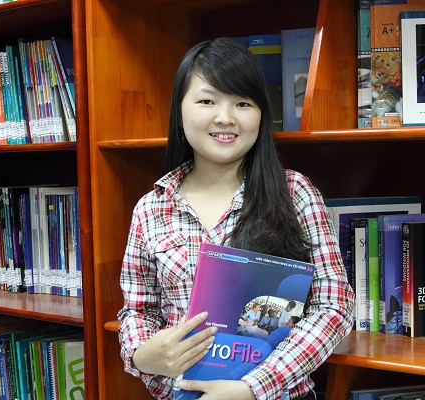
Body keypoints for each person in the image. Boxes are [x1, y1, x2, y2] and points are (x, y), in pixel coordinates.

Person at [117, 37, 354, 400]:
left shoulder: (294, 193)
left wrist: (252, 388)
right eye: (207, 101)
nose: (225, 118)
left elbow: (333, 306)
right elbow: (138, 310)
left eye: (242, 103)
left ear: (261, 113)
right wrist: (141, 355)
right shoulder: (152, 208)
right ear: (179, 112)